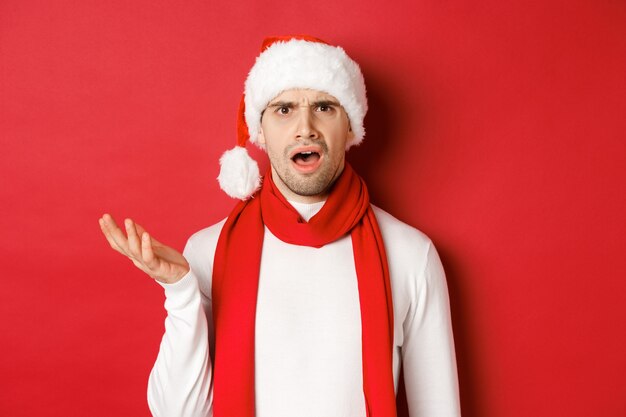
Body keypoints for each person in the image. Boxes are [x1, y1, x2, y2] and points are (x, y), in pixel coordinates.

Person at [99, 34, 461, 417]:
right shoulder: (208, 250)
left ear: (351, 127)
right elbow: (177, 413)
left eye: (324, 106)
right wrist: (181, 293)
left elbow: (438, 408)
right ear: (260, 130)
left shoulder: (409, 254)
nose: (305, 128)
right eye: (284, 110)